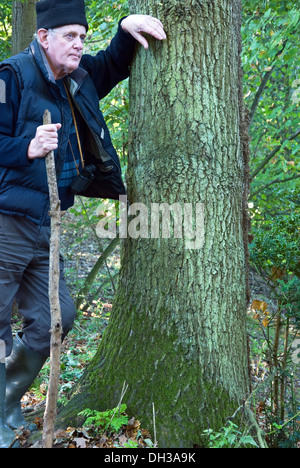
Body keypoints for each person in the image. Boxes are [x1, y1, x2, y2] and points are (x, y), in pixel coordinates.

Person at [0, 0, 166, 448]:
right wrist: (26, 147)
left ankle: (5, 399)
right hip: (6, 222)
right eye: (69, 35)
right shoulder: (10, 76)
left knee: (58, 317)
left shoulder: (76, 77)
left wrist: (125, 29)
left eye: (82, 35)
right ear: (43, 36)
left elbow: (111, 63)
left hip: (48, 224)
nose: (78, 44)